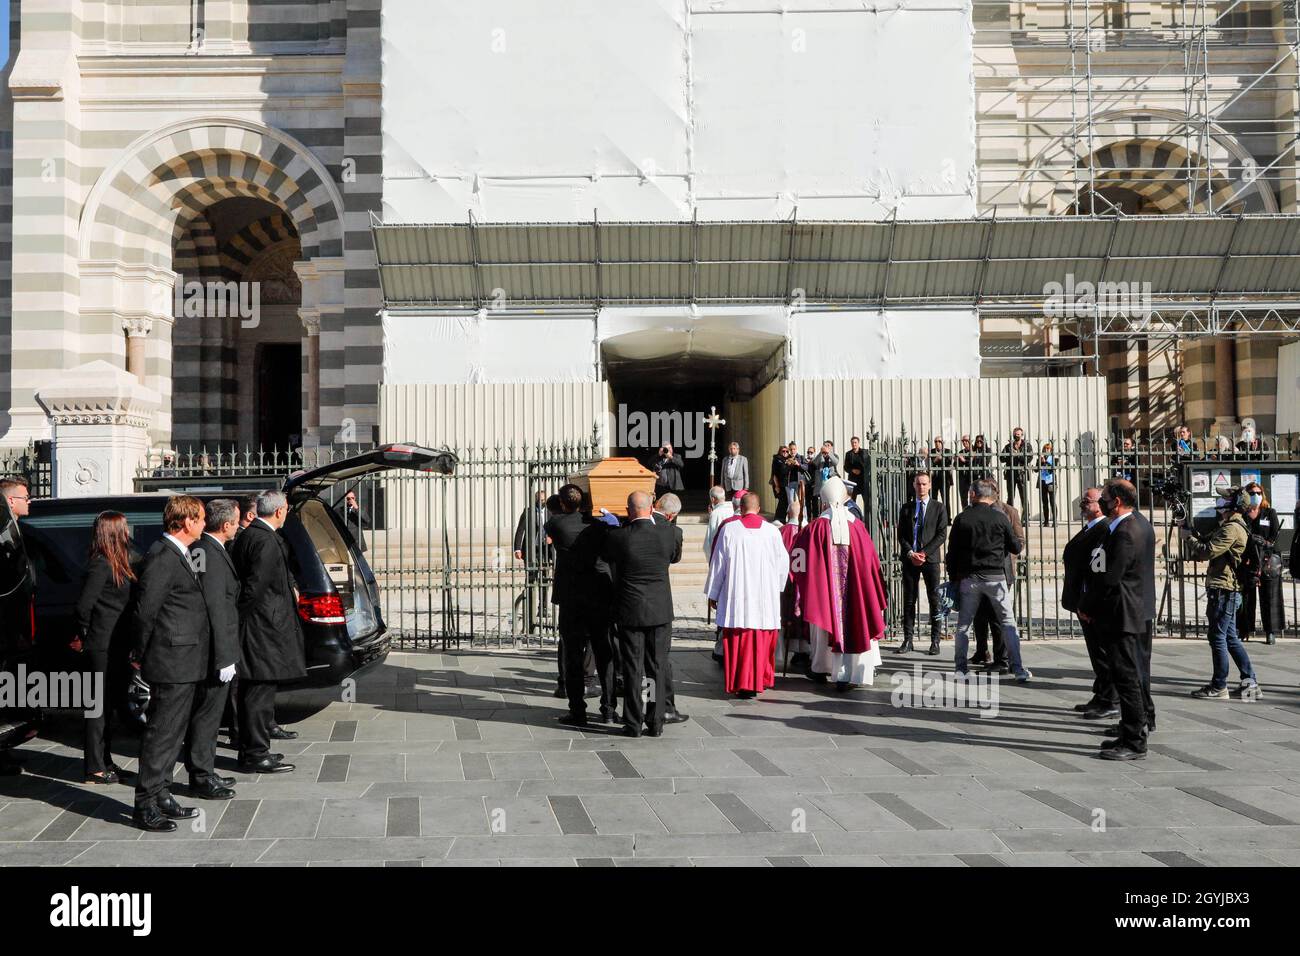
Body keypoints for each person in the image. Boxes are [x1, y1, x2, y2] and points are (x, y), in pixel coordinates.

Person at [131, 495, 209, 832]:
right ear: (188, 522)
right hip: (170, 660)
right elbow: (145, 611)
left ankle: (162, 794)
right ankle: (145, 803)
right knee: (161, 734)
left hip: (183, 658)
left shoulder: (179, 553)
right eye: (202, 518)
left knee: (173, 732)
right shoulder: (163, 556)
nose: (205, 524)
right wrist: (138, 655)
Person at [1081, 478, 1157, 761]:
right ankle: (1130, 729)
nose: (1101, 501)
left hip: (1123, 613)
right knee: (1129, 676)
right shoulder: (1137, 524)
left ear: (1117, 502)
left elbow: (1111, 577)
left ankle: (1135, 741)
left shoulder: (1126, 532)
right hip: (1133, 610)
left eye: (1105, 497)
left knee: (1127, 678)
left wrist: (1088, 605)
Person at [230, 490, 305, 774]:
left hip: (258, 625)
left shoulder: (252, 534)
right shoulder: (264, 540)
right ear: (279, 511)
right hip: (263, 627)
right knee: (258, 694)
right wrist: (240, 620)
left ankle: (255, 749)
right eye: (286, 508)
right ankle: (255, 753)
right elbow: (254, 588)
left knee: (257, 692)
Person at [792, 476, 888, 691]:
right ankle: (853, 673)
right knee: (856, 621)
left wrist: (804, 585)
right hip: (857, 595)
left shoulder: (815, 527)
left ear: (823, 501)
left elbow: (798, 561)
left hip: (825, 596)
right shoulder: (858, 527)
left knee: (823, 626)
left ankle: (820, 668)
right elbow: (872, 562)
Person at [602, 491, 681, 737]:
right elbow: (674, 556)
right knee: (656, 667)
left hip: (631, 611)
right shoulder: (670, 533)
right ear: (651, 508)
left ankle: (633, 721)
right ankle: (655, 720)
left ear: (628, 510)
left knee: (633, 667)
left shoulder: (619, 537)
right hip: (659, 610)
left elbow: (608, 558)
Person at [75, 511, 139, 785]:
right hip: (101, 645)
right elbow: (83, 607)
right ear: (114, 532)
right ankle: (94, 768)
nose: (129, 532)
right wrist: (88, 635)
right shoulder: (101, 564)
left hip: (115, 645)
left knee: (108, 706)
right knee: (98, 709)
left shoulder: (120, 561)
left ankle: (105, 760)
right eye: (125, 528)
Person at [706, 493, 790, 698]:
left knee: (740, 639)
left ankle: (741, 682)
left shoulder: (729, 530)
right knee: (761, 639)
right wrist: (775, 589)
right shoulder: (772, 532)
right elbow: (782, 565)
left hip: (738, 597)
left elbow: (718, 566)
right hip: (764, 598)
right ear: (759, 509)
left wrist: (714, 593)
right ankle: (759, 679)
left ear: (740, 509)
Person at [546, 484, 617, 727]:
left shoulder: (556, 524)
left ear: (563, 504)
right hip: (598, 595)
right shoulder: (600, 525)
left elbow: (558, 513)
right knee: (604, 654)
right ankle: (609, 709)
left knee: (573, 656)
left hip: (571, 598)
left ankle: (578, 711)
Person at [185, 499, 241, 800]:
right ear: (226, 524)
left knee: (209, 714)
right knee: (206, 716)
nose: (238, 525)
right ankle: (201, 776)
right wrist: (223, 656)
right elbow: (214, 607)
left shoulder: (210, 549)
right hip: (214, 650)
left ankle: (205, 769)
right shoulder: (207, 551)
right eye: (236, 520)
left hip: (217, 646)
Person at [947, 479, 1031, 682]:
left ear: (973, 494)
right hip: (996, 577)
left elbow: (952, 553)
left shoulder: (962, 518)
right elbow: (1015, 547)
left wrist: (953, 579)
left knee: (963, 625)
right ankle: (1017, 668)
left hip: (970, 577)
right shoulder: (1000, 517)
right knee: (1008, 623)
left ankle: (961, 668)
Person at [1182, 487, 1259, 700]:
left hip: (1224, 589)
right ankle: (1250, 685)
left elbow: (1207, 551)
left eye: (1225, 498)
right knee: (1231, 637)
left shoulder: (1232, 528)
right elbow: (1208, 543)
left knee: (1218, 637)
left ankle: (1219, 686)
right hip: (1227, 588)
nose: (1220, 501)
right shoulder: (1230, 526)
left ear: (1233, 504)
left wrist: (1188, 538)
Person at [1060, 487, 1116, 719]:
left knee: (1103, 653)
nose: (1083, 504)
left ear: (1100, 504)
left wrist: (1089, 602)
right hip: (1082, 599)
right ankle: (1101, 694)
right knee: (1096, 653)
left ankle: (1110, 699)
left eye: (1088, 500)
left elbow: (1097, 570)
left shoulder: (1103, 529)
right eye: (1083, 499)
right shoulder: (1091, 527)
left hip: (1092, 602)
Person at [970, 482, 1024, 671]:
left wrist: (1005, 555)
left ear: (996, 491)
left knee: (996, 616)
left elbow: (1018, 540)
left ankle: (1002, 658)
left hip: (1001, 570)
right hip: (980, 571)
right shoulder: (974, 511)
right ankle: (982, 650)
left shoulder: (1008, 511)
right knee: (980, 614)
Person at [895, 471, 948, 656]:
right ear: (914, 485)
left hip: (930, 559)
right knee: (909, 600)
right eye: (918, 484)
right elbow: (901, 534)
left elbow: (942, 534)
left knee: (935, 600)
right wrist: (910, 552)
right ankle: (908, 639)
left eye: (924, 484)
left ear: (930, 485)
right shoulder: (906, 508)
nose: (921, 487)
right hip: (910, 559)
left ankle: (935, 641)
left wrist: (924, 553)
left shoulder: (939, 507)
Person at [652, 494, 688, 724]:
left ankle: (642, 710)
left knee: (637, 662)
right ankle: (662, 707)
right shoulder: (673, 533)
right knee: (660, 660)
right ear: (672, 515)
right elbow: (674, 558)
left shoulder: (626, 529)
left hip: (630, 605)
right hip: (660, 605)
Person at [1238, 480, 1285, 645]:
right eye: (1252, 493)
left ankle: (1270, 631)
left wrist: (1265, 544)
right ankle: (1245, 629)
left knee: (1269, 597)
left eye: (1258, 493)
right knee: (1246, 597)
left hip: (1266, 560)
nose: (1255, 496)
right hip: (1249, 560)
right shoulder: (1243, 513)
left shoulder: (1269, 512)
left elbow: (1274, 535)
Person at [513, 490, 555, 639]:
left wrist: (552, 538)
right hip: (531, 549)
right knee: (531, 578)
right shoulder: (529, 511)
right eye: (539, 499)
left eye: (543, 500)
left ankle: (542, 607)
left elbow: (556, 528)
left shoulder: (551, 512)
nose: (541, 502)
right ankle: (529, 606)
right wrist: (517, 548)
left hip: (545, 551)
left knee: (544, 579)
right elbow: (520, 530)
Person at [778, 496, 811, 669]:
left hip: (786, 583)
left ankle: (791, 650)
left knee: (789, 614)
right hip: (803, 584)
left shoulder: (781, 532)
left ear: (788, 513)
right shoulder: (809, 531)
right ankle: (803, 652)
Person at [1000, 428, 1033, 519]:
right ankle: (1009, 517)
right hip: (1010, 474)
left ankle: (1026, 517)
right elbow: (1001, 459)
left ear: (1022, 435)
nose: (1017, 436)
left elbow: (1029, 458)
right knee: (1010, 497)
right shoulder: (1008, 446)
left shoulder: (1027, 446)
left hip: (1021, 474)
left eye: (1018, 434)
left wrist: (1017, 455)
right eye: (1015, 434)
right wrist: (1010, 455)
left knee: (1024, 497)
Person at [704, 485, 732, 558]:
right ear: (724, 497)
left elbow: (710, 540)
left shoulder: (715, 514)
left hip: (720, 554)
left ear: (712, 499)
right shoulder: (733, 509)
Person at [1037, 441, 1058, 527]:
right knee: (1044, 502)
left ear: (1051, 450)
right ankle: (1046, 521)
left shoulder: (1054, 459)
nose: (1046, 450)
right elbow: (1036, 470)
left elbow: (1051, 470)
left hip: (1051, 482)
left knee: (1052, 501)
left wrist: (1045, 462)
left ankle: (1055, 521)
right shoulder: (1039, 459)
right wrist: (1041, 462)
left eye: (1048, 448)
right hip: (1042, 482)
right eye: (1045, 448)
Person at [844, 437, 867, 511]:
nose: (854, 444)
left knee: (866, 500)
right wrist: (852, 470)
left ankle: (867, 517)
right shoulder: (848, 454)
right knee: (852, 500)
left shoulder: (864, 452)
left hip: (863, 480)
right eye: (852, 443)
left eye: (855, 442)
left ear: (858, 443)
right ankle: (852, 515)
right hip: (853, 480)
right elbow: (846, 467)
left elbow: (867, 464)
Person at [929, 437, 953, 505]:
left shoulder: (948, 451)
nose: (937, 443)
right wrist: (937, 459)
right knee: (933, 499)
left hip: (945, 478)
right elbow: (930, 463)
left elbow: (949, 462)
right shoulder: (931, 451)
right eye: (936, 441)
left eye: (939, 441)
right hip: (934, 479)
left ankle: (947, 515)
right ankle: (934, 515)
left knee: (946, 500)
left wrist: (941, 458)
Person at [955, 435, 975, 511]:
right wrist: (956, 460)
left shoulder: (974, 450)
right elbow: (956, 465)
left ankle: (973, 512)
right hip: (962, 477)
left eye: (966, 440)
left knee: (973, 496)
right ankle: (965, 512)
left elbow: (974, 463)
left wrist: (964, 460)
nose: (965, 442)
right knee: (963, 497)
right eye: (963, 441)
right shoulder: (961, 452)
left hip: (972, 476)